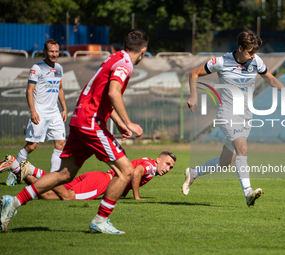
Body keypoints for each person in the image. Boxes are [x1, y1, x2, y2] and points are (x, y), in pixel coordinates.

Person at [0, 29, 149, 234]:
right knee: (126, 171)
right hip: (91, 122)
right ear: (143, 51)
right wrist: (129, 122)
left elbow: (103, 95)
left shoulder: (114, 57)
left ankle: (14, 202)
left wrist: (119, 123)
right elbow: (114, 93)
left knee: (64, 175)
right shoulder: (125, 64)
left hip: (80, 120)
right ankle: (100, 220)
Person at [182, 29, 285, 206]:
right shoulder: (222, 61)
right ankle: (248, 193)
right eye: (250, 52)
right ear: (240, 48)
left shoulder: (256, 61)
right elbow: (194, 73)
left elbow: (270, 78)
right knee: (242, 148)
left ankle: (193, 173)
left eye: (255, 52)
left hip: (246, 116)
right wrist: (194, 96)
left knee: (225, 163)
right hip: (227, 115)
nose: (253, 56)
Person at [0, 39, 67, 174]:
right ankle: (14, 170)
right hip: (40, 112)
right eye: (51, 51)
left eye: (56, 51)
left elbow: (60, 88)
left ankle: (53, 178)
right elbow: (29, 90)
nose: (54, 54)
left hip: (54, 112)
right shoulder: (37, 68)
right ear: (45, 51)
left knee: (61, 144)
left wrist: (64, 108)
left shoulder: (59, 68)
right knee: (32, 146)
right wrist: (33, 111)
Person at [1, 151, 176, 201]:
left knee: (47, 192)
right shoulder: (151, 166)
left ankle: (18, 167)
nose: (168, 168)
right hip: (100, 183)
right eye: (167, 163)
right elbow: (137, 172)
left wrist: (123, 192)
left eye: (171, 167)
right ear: (159, 159)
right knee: (64, 197)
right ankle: (27, 169)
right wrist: (136, 197)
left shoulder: (148, 161)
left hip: (96, 175)